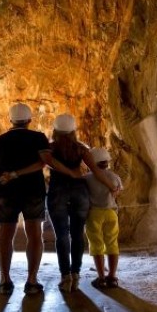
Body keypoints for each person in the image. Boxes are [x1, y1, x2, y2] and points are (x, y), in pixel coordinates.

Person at [0, 103, 80, 295]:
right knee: (35, 235)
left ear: (10, 120)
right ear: (29, 120)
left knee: (5, 236)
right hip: (33, 192)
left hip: (6, 193)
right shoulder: (38, 138)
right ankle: (32, 281)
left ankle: (4, 280)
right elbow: (44, 162)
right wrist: (71, 172)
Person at [47, 114, 119, 293]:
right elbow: (96, 171)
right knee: (77, 234)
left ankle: (66, 277)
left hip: (57, 192)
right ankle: (76, 275)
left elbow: (46, 162)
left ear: (55, 130)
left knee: (62, 236)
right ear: (73, 131)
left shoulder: (49, 149)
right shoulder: (81, 149)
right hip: (80, 192)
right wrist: (112, 186)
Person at [84, 147, 123, 289]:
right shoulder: (114, 177)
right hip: (111, 213)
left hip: (94, 213)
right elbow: (117, 193)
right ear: (107, 162)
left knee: (96, 244)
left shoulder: (86, 178)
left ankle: (101, 278)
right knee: (112, 243)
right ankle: (112, 277)